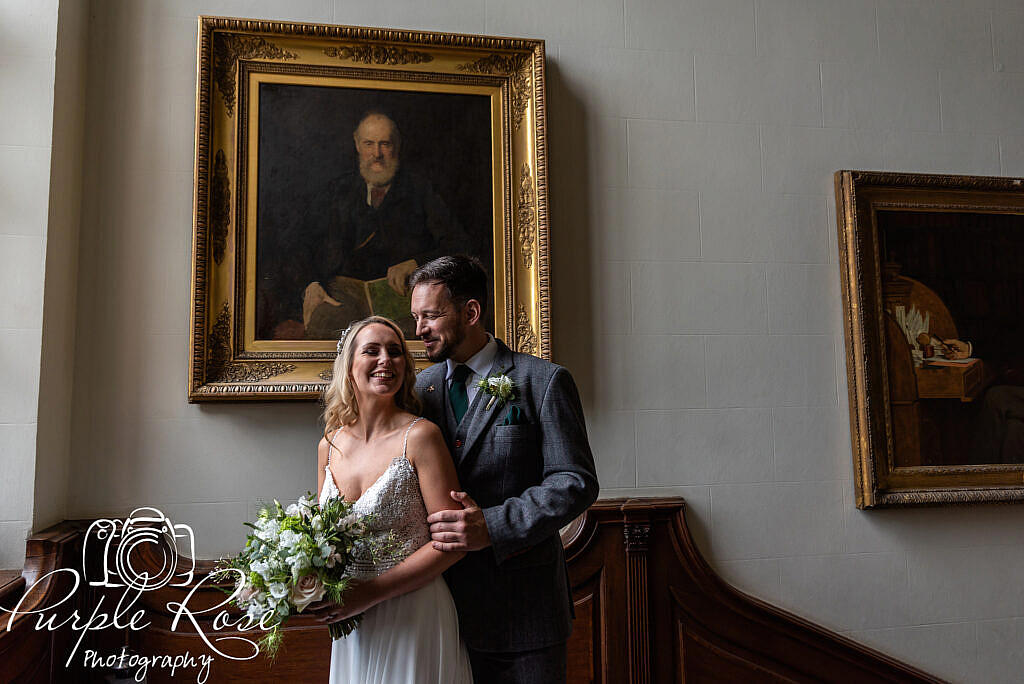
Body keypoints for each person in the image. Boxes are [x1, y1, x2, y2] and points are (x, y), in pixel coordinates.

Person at [408, 255, 600, 683]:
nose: (419, 329)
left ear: (471, 312)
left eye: (431, 316)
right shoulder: (420, 392)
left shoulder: (542, 381)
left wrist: (491, 526)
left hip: (524, 616)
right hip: (439, 616)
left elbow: (576, 482)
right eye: (416, 317)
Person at [309, 315, 473, 683]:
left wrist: (369, 593)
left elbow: (452, 544)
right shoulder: (329, 445)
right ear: (349, 366)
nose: (386, 360)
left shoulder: (420, 437)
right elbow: (320, 541)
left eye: (396, 352)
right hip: (354, 621)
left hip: (414, 612)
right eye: (372, 351)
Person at [302, 111, 470, 339]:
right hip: (344, 302)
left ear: (396, 147)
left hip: (402, 303)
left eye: (385, 144)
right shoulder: (338, 191)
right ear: (357, 145)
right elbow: (308, 249)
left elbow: (459, 246)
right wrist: (312, 284)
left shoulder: (420, 190)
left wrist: (416, 264)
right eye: (369, 144)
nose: (377, 154)